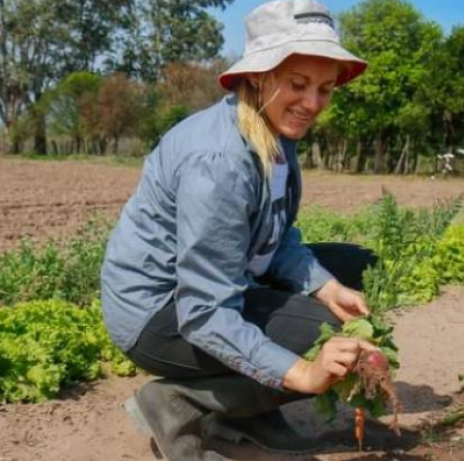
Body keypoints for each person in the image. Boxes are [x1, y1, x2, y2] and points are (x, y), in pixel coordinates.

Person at [100, 1, 377, 459]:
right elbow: (204, 310)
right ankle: (181, 400)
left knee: (354, 269)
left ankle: (249, 410)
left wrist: (326, 287)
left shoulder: (275, 133)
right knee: (324, 337)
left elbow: (276, 236)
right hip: (160, 311)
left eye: (325, 89)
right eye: (298, 84)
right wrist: (304, 375)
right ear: (258, 77)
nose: (312, 104)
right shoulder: (219, 162)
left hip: (211, 283)